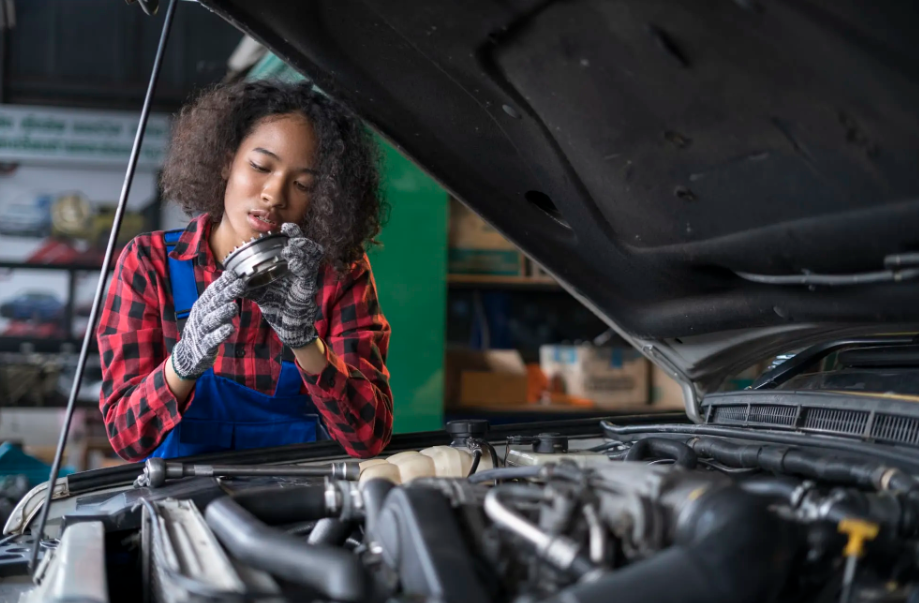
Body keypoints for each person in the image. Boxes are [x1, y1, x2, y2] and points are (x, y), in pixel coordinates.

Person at [96, 80, 393, 461]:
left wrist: (305, 341)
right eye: (260, 166)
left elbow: (369, 438)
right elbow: (126, 438)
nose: (274, 194)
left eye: (302, 184)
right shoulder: (150, 263)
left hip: (306, 506)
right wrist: (183, 362)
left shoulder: (339, 272)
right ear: (225, 160)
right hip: (182, 510)